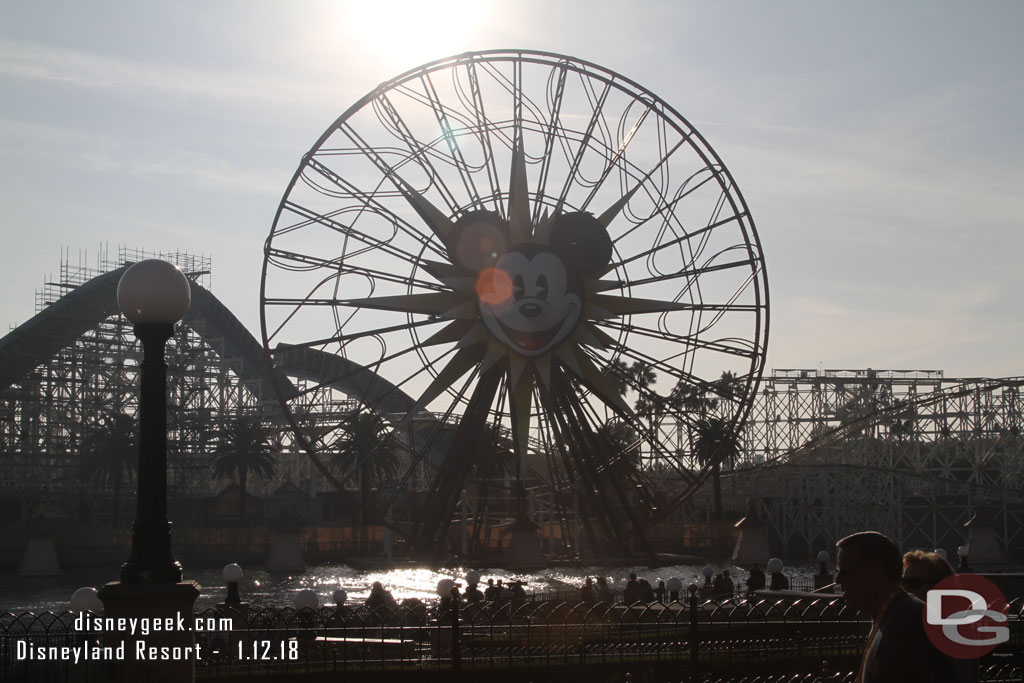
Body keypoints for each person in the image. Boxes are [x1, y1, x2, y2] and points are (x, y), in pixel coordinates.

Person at [836, 531, 965, 683]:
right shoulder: (891, 617)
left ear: (876, 571)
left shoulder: (909, 622)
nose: (838, 580)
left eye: (844, 572)